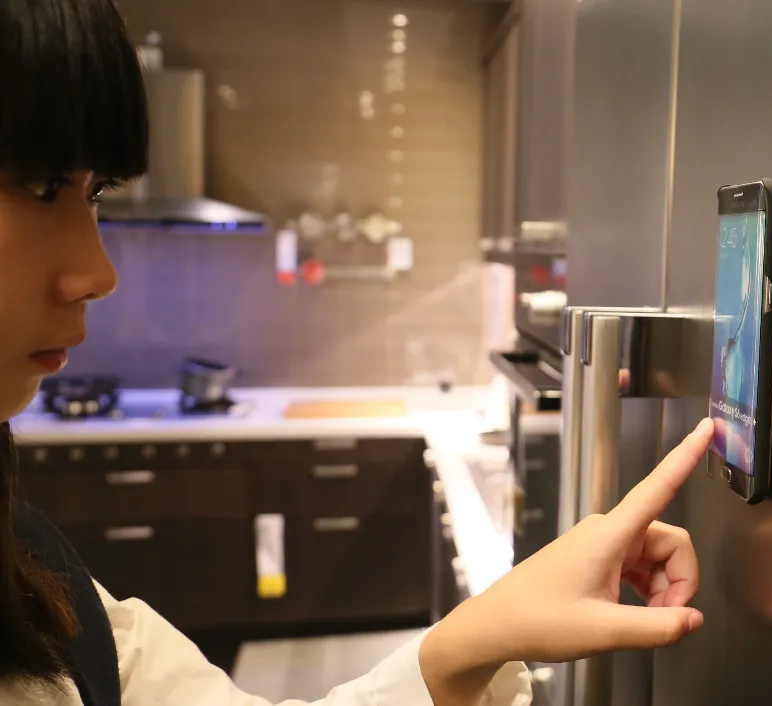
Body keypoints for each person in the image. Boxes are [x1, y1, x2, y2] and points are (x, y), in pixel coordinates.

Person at [0, 1, 714, 704]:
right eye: (43, 185)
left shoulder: (37, 583)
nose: (100, 273)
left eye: (95, 194)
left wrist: (490, 629)